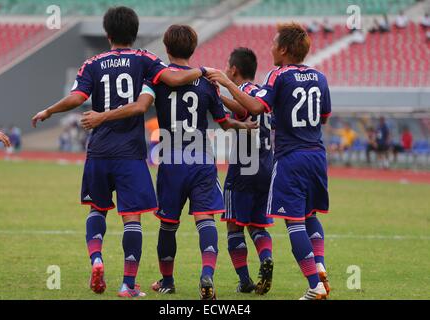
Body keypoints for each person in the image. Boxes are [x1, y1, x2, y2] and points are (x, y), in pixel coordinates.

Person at [31, 7, 209, 299]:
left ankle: (97, 258)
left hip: (99, 151)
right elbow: (174, 81)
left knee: (97, 209)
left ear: (108, 34)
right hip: (130, 153)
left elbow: (78, 97)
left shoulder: (92, 62)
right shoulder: (145, 60)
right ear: (134, 33)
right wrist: (204, 71)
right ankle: (128, 284)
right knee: (132, 218)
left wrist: (50, 110)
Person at [80, 24, 258, 300]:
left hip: (172, 159)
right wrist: (240, 123)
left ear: (166, 47)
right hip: (200, 157)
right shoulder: (206, 82)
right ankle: (207, 273)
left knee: (168, 224)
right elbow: (226, 122)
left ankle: (167, 280)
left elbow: (139, 104)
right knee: (205, 218)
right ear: (194, 48)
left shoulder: (157, 79)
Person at [208, 23, 332, 300]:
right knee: (310, 214)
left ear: (285, 49)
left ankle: (315, 285)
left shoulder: (278, 75)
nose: (271, 48)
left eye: (275, 44)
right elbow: (323, 117)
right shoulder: (320, 77)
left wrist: (226, 83)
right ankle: (320, 265)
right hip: (317, 155)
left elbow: (253, 108)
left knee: (294, 222)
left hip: (291, 157)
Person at [218, 48, 274, 295]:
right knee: (258, 225)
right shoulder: (262, 94)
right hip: (266, 166)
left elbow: (240, 112)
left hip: (244, 167)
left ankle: (244, 280)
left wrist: (217, 95)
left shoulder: (243, 94)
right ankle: (266, 259)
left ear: (233, 70)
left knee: (234, 226)